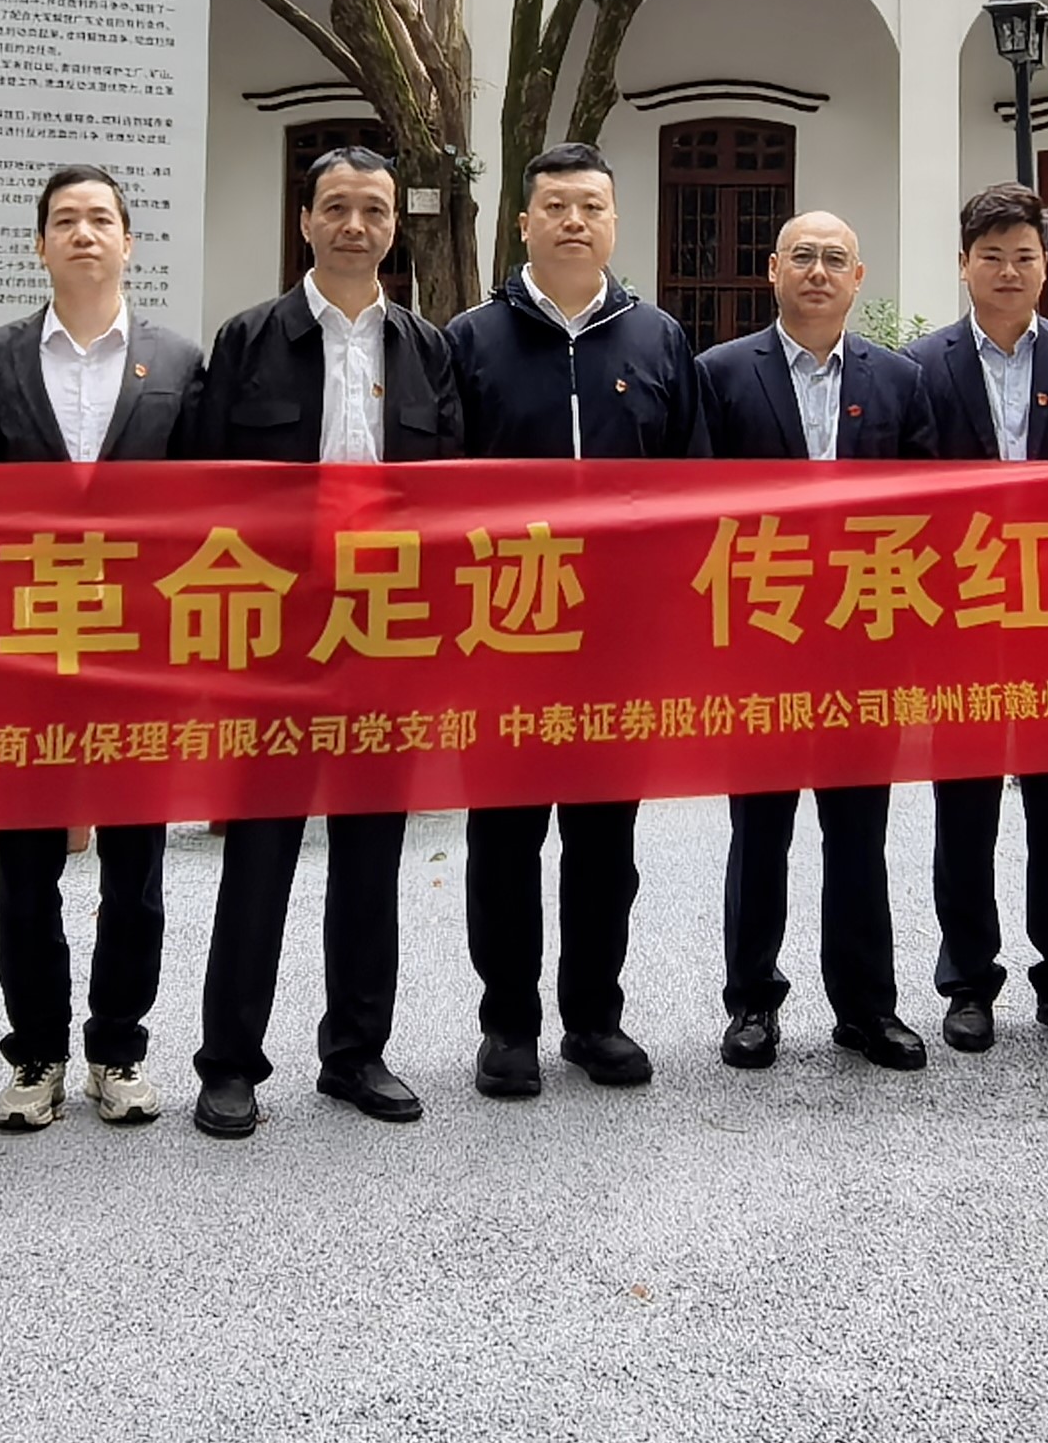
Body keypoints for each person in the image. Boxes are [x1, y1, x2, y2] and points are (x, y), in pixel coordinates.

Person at [189, 145, 463, 1138]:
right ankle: (230, 1064)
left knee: (370, 855)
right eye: (336, 207)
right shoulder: (249, 339)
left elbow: (458, 502)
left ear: (396, 226)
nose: (356, 225)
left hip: (384, 634)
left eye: (374, 210)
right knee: (259, 853)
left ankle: (356, 1052)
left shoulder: (427, 350)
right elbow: (206, 494)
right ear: (304, 220)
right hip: (276, 635)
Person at [446, 141, 708, 1099]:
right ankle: (507, 1025)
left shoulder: (658, 340)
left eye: (591, 206)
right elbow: (436, 495)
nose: (573, 221)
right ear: (523, 223)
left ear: (614, 222)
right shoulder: (469, 340)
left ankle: (595, 1018)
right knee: (503, 845)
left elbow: (693, 493)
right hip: (503, 638)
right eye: (555, 205)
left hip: (617, 648)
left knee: (605, 848)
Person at [0, 163, 204, 1132]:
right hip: (29, 646)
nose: (84, 233)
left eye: (101, 218)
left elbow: (205, 504)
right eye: (65, 220)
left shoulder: (178, 360)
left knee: (135, 868)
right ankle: (36, 1055)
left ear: (128, 241)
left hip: (139, 652)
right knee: (26, 868)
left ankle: (117, 1049)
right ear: (41, 244)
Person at [696, 211, 935, 1073]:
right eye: (803, 256)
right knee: (760, 832)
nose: (819, 271)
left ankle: (866, 1008)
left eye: (836, 258)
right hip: (762, 642)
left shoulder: (900, 380)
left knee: (858, 833)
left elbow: (929, 517)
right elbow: (698, 514)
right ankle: (751, 1005)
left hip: (864, 643)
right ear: (773, 269)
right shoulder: (721, 375)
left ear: (858, 277)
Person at [907, 182, 1048, 1056]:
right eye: (991, 256)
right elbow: (909, 496)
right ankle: (967, 982)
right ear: (964, 264)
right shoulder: (922, 365)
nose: (1008, 271)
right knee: (964, 810)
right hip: (962, 619)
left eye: (1024, 256)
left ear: (1046, 265)